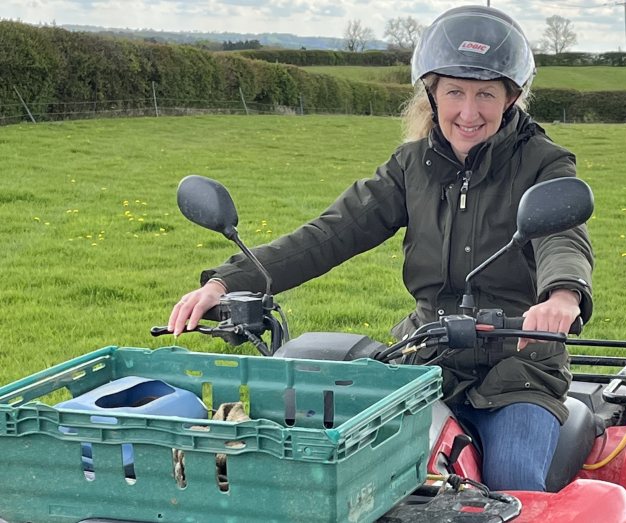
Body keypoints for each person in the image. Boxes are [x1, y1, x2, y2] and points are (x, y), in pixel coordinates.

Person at [169, 5, 593, 492]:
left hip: (519, 365)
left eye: (485, 94)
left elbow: (563, 234)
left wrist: (562, 295)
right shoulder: (412, 166)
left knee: (512, 483)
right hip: (426, 359)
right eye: (455, 91)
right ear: (432, 94)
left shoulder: (542, 163)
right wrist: (229, 281)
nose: (469, 112)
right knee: (339, 466)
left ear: (511, 97)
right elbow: (331, 232)